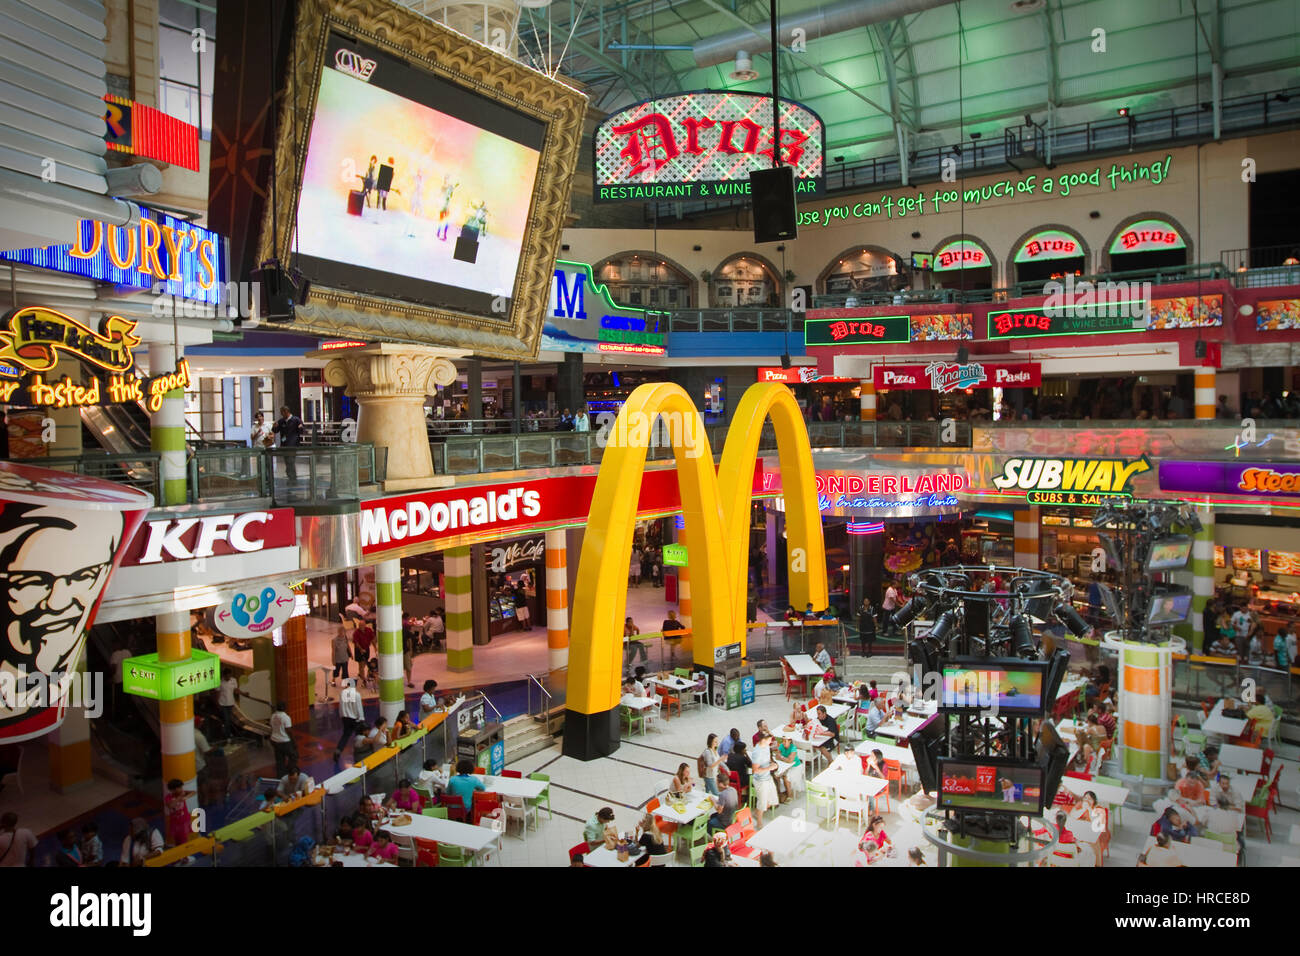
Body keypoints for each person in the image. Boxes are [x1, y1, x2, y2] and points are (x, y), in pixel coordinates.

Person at [332, 677, 364, 769]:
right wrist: (361, 718)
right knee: (359, 736)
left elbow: (341, 706)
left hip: (345, 718)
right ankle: (358, 752)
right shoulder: (357, 695)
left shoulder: (342, 693)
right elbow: (359, 708)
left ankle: (338, 750)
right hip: (355, 719)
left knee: (345, 735)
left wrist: (342, 716)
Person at [749, 733, 779, 826]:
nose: (771, 742)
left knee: (772, 800)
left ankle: (756, 814)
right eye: (769, 740)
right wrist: (769, 768)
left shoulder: (766, 747)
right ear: (763, 740)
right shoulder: (757, 752)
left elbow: (768, 759)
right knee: (762, 803)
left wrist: (773, 764)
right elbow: (755, 770)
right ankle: (759, 823)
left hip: (767, 777)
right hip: (760, 780)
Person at [272, 405, 304, 481]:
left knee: (291, 460)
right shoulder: (281, 421)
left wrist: (301, 427)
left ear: (286, 412)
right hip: (284, 445)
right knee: (287, 461)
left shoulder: (296, 420)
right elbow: (276, 431)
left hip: (293, 445)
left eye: (282, 413)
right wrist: (274, 427)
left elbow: (301, 430)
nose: (281, 415)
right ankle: (290, 476)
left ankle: (292, 477)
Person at [163, 778, 195, 847]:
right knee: (177, 840)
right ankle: (181, 855)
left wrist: (185, 797)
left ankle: (185, 856)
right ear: (173, 790)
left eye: (181, 787)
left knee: (184, 840)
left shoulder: (182, 793)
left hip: (184, 821)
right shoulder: (168, 797)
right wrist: (179, 798)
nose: (181, 789)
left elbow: (193, 792)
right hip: (175, 823)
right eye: (179, 787)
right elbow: (170, 805)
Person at [269, 700, 295, 776]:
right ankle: (290, 772)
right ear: (285, 708)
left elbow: (272, 727)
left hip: (274, 740)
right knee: (293, 756)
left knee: (279, 759)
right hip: (284, 741)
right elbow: (289, 731)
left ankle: (280, 775)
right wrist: (293, 742)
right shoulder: (286, 717)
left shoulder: (273, 716)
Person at [217, 668, 239, 738]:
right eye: (227, 676)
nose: (228, 677)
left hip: (231, 703)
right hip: (223, 703)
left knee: (229, 719)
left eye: (229, 675)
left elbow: (236, 690)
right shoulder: (220, 682)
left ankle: (227, 733)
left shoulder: (234, 680)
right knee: (226, 719)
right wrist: (217, 703)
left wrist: (243, 693)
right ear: (224, 675)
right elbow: (217, 692)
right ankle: (228, 735)